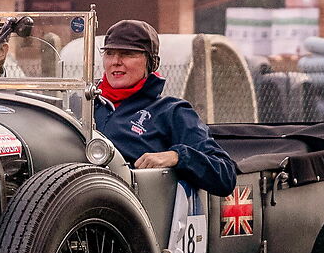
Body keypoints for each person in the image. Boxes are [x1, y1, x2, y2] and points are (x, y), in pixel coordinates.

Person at [91, 20, 239, 196]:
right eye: (109, 53)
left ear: (152, 62)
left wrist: (176, 157)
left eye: (127, 54)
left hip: (138, 213)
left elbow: (225, 176)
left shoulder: (172, 111)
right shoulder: (85, 104)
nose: (115, 61)